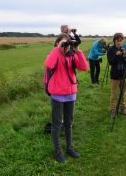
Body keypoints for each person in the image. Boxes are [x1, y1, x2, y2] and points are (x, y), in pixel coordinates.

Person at [44, 33, 89, 163]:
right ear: (58, 44)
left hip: (70, 94)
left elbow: (84, 67)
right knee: (57, 124)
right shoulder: (54, 55)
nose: (67, 46)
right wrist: (58, 48)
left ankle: (69, 147)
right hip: (57, 94)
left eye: (68, 43)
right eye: (64, 44)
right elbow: (49, 64)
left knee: (69, 123)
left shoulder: (72, 56)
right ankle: (58, 151)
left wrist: (77, 49)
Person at [107, 32, 126, 118]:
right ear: (114, 40)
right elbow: (110, 62)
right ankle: (112, 109)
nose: (119, 42)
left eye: (120, 40)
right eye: (117, 40)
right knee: (114, 93)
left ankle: (122, 108)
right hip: (115, 75)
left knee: (123, 93)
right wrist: (116, 55)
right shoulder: (111, 50)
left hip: (123, 74)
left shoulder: (124, 49)